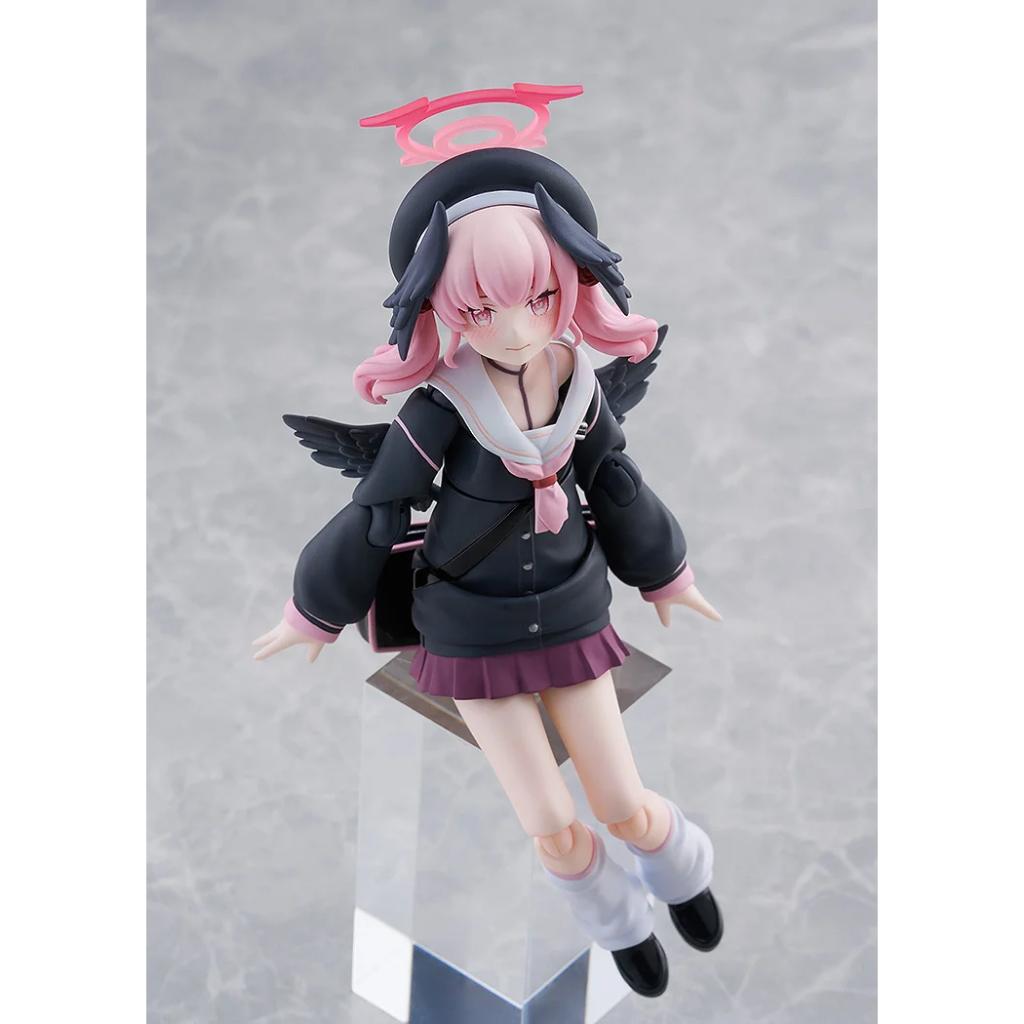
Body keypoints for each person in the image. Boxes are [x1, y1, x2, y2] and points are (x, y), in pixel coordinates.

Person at [253, 107, 724, 998]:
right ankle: (618, 921)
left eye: (538, 297)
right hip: (470, 630)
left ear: (569, 280)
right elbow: (377, 510)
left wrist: (666, 571)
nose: (513, 327)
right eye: (479, 307)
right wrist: (313, 610)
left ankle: (682, 867)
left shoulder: (579, 383)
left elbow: (614, 482)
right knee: (551, 824)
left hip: (573, 610)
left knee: (623, 804)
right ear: (437, 304)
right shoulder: (442, 405)